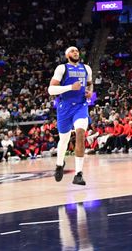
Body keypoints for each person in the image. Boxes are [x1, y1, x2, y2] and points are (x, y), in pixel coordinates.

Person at [48, 46, 93, 185]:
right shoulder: (62, 68)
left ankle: (78, 174)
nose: (76, 52)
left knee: (80, 134)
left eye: (77, 51)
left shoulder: (86, 68)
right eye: (73, 51)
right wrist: (70, 87)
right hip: (65, 106)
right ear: (67, 55)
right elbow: (51, 90)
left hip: (81, 106)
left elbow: (90, 84)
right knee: (64, 140)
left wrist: (89, 92)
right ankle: (59, 164)